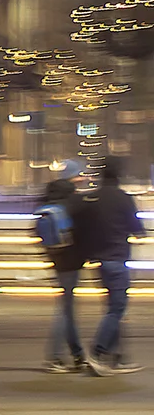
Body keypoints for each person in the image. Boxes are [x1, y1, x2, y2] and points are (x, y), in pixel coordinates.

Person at [75, 156, 145, 376]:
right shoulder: (123, 198)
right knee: (117, 309)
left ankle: (117, 359)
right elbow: (137, 229)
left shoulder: (93, 198)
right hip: (117, 259)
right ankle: (98, 352)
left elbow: (83, 227)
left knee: (113, 310)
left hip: (99, 261)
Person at [40, 160, 87, 373]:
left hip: (55, 257)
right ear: (73, 178)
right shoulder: (75, 200)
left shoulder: (48, 196)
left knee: (67, 307)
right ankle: (55, 357)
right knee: (65, 310)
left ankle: (77, 355)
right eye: (79, 175)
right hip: (71, 259)